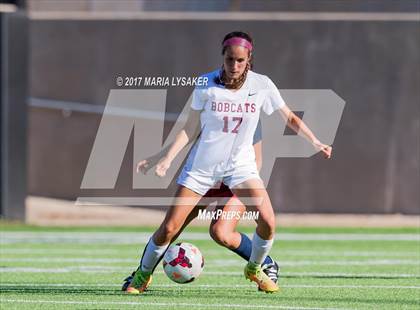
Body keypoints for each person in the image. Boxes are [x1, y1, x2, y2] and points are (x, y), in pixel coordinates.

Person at [125, 31, 332, 294]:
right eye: (229, 59)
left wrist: (315, 141)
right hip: (202, 171)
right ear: (222, 57)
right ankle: (141, 276)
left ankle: (256, 268)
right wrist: (166, 158)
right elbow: (189, 128)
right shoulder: (205, 84)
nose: (234, 66)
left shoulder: (261, 85)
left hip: (239, 172)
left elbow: (289, 117)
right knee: (169, 228)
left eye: (240, 61)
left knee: (265, 221)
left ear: (249, 60)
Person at [122, 120, 280, 292]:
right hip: (202, 179)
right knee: (170, 228)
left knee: (221, 232)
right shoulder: (210, 97)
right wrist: (161, 157)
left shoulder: (250, 106)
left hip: (235, 180)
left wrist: (240, 181)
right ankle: (143, 273)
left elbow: (257, 160)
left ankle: (265, 263)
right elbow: (187, 133)